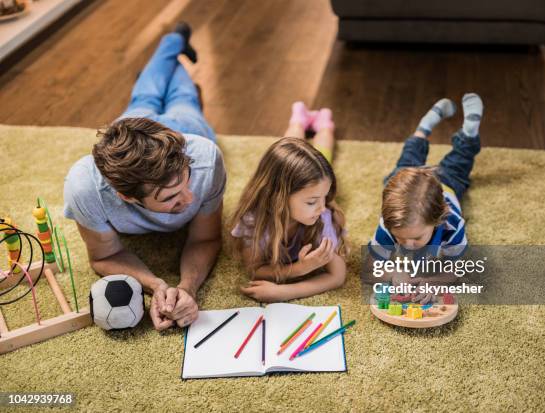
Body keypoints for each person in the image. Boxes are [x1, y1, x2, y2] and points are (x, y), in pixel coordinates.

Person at [63, 23, 225, 330]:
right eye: (170, 197)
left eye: (186, 180)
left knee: (182, 99)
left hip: (184, 127)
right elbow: (103, 256)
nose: (190, 199)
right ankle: (169, 52)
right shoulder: (85, 188)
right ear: (126, 196)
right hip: (130, 134)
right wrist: (157, 285)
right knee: (146, 97)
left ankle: (172, 44)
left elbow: (207, 236)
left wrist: (188, 288)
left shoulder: (203, 157)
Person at [367, 93, 483, 303]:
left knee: (460, 162)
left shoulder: (452, 224)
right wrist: (392, 274)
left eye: (417, 238)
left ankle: (469, 132)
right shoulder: (388, 223)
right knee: (409, 154)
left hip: (446, 182)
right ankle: (426, 125)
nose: (409, 245)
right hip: (407, 176)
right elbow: (369, 267)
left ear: (438, 218)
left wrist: (433, 281)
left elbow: (457, 268)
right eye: (400, 238)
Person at [230, 102, 347, 302]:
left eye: (325, 197)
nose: (322, 208)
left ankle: (325, 122)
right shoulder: (254, 219)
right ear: (279, 199)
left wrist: (284, 292)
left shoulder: (322, 215)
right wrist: (300, 269)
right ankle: (299, 118)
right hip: (285, 177)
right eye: (312, 202)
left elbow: (338, 276)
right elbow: (255, 269)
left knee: (323, 152)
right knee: (289, 144)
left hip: (308, 177)